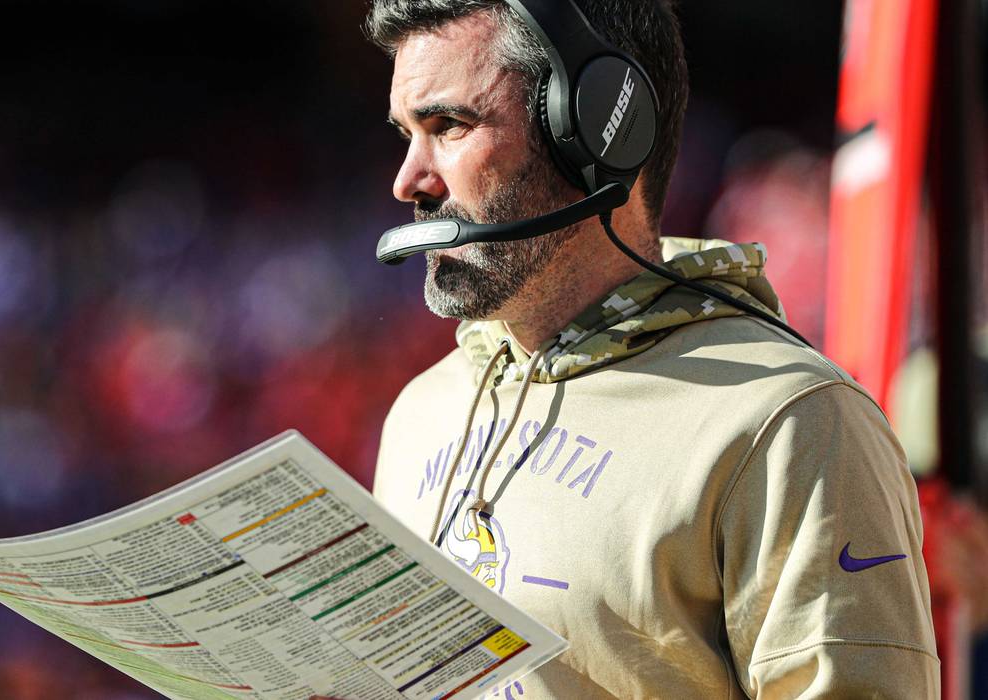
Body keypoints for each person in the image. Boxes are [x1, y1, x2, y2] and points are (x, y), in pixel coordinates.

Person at [357, 0, 939, 697]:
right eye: (406, 134)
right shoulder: (421, 410)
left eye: (448, 125)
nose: (407, 181)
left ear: (597, 128)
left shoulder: (788, 421)